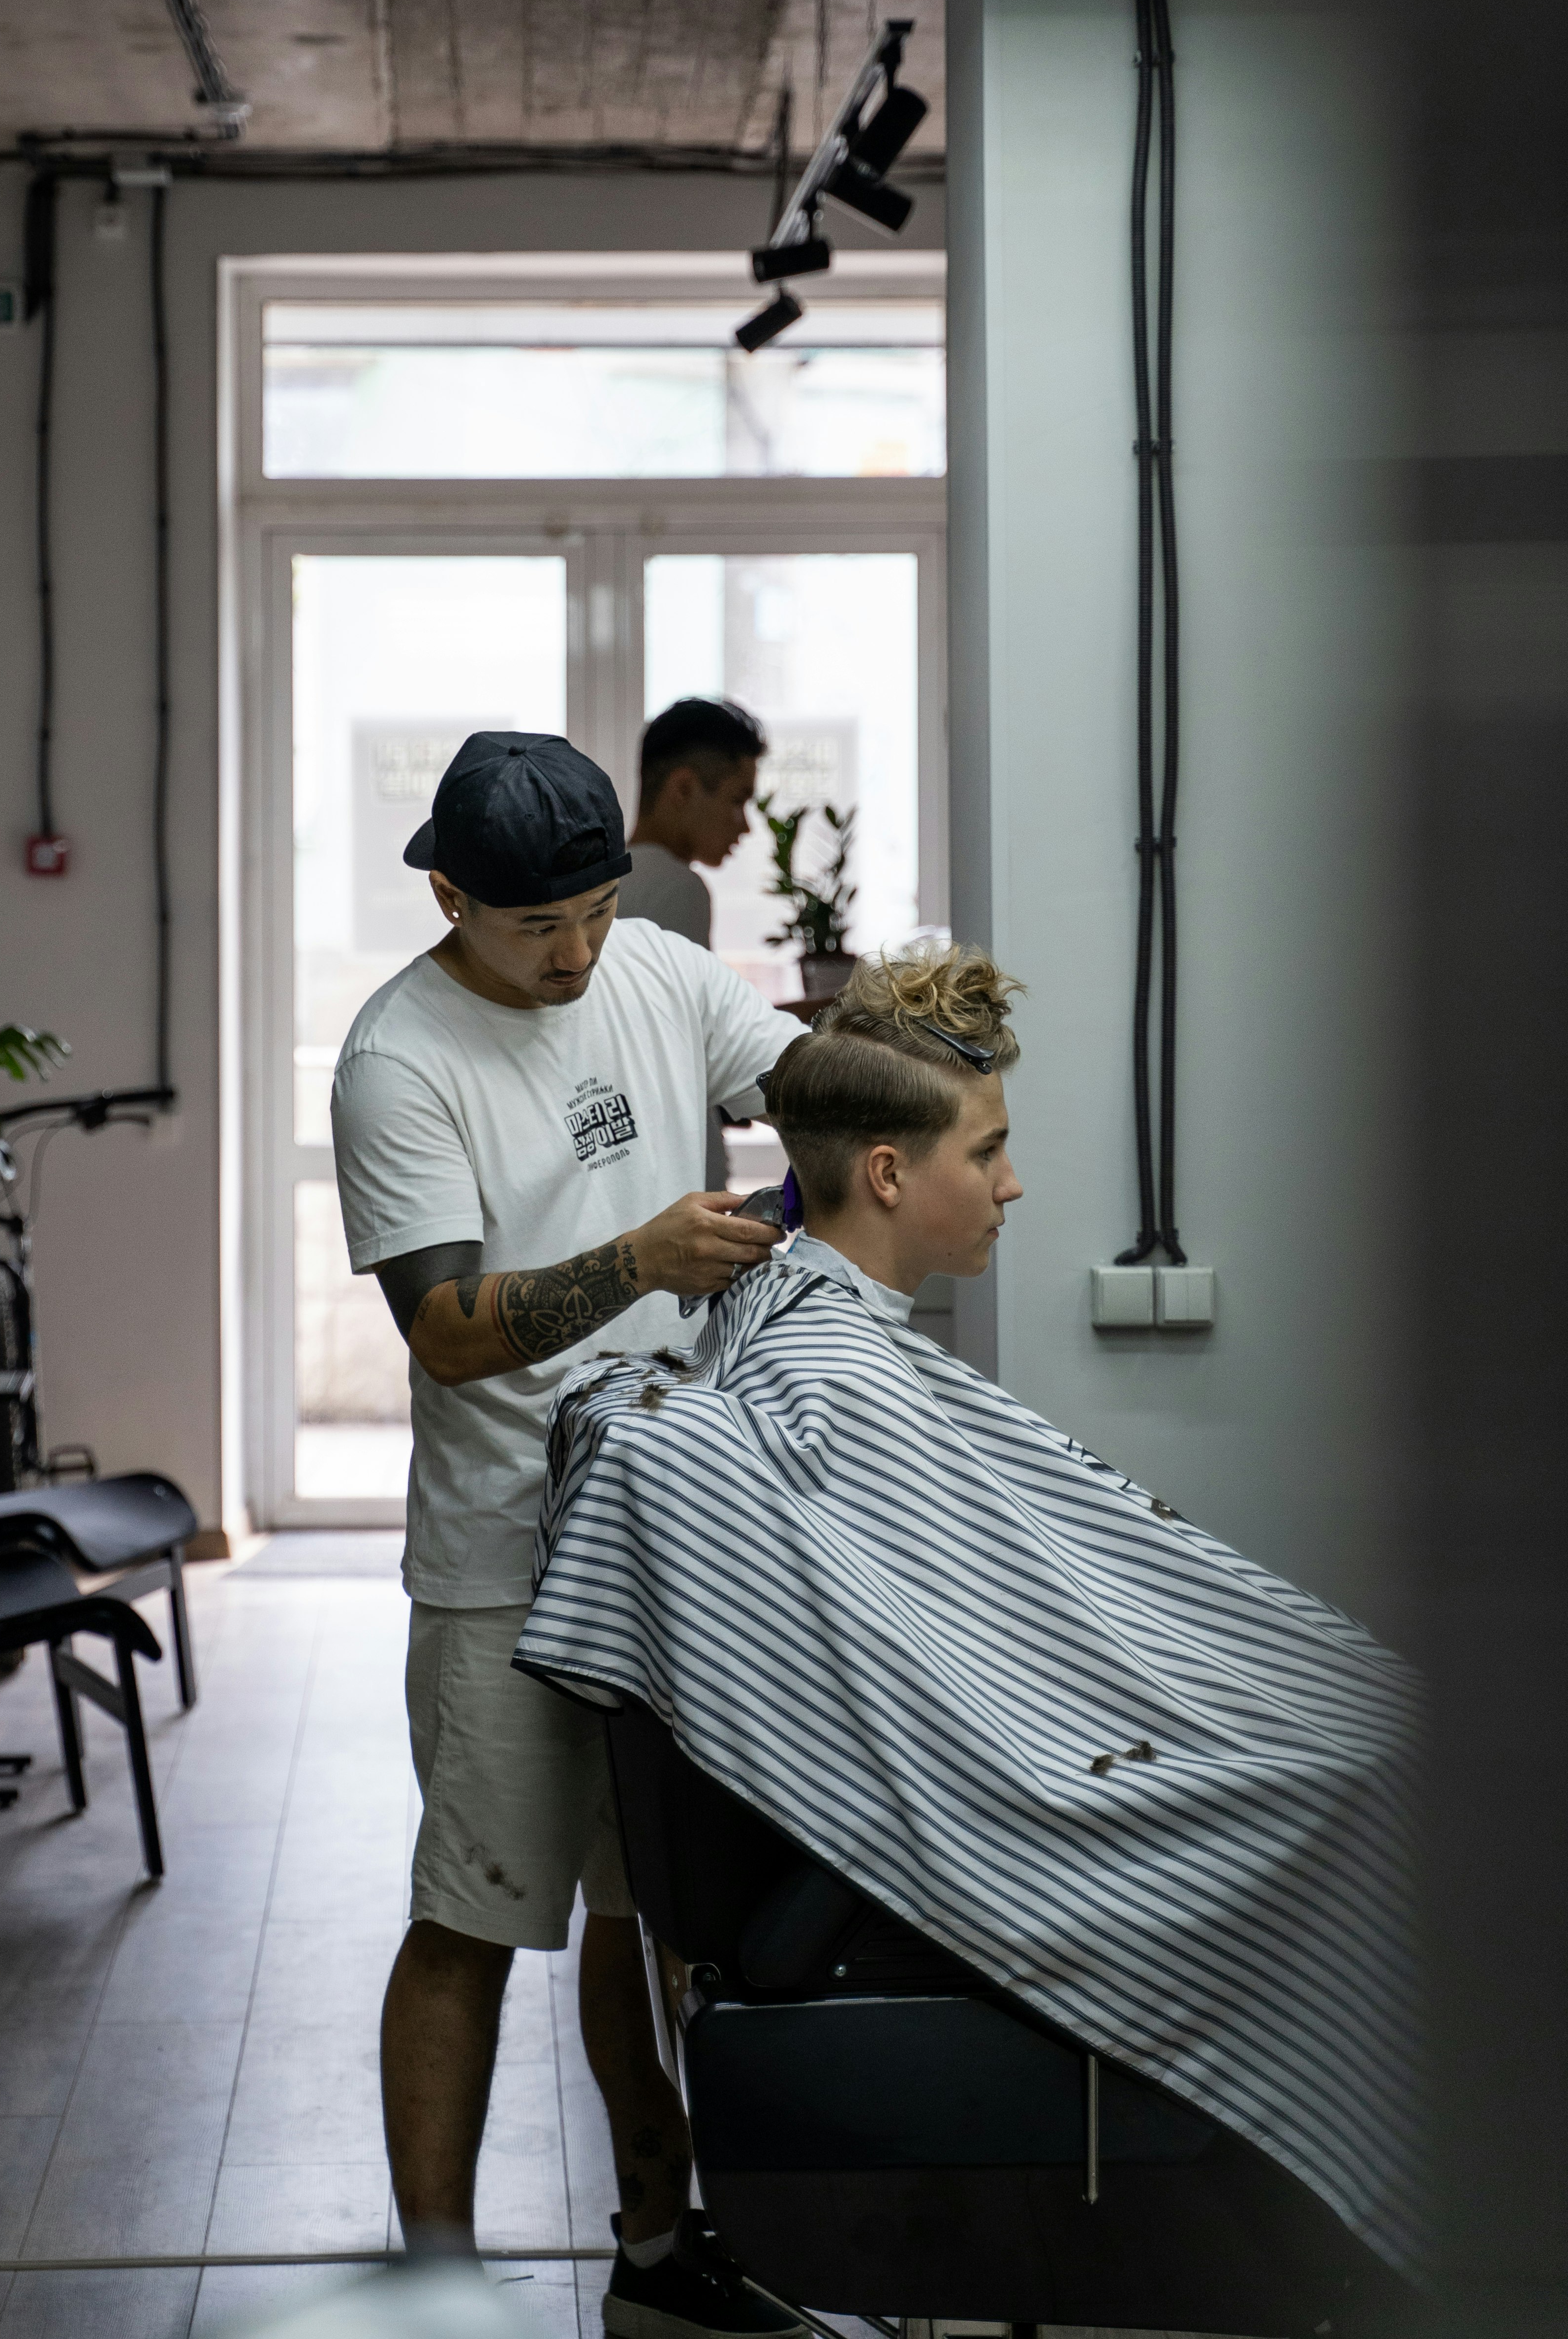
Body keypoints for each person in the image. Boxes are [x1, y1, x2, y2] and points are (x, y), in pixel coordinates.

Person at [520, 948, 1420, 2289]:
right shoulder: (830, 1377)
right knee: (1385, 1797)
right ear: (888, 1173)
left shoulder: (803, 1324)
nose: (1012, 1184)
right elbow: (969, 1710)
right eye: (988, 1151)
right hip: (1028, 1801)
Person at [329, 730, 810, 2339]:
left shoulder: (655, 967)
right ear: (448, 893)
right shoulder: (398, 1056)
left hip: (667, 1534)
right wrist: (636, 1259)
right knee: (472, 1921)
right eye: (541, 927)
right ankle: (432, 2285)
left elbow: (802, 1084)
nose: (579, 954)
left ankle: (657, 2253)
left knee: (644, 1918)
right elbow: (452, 1329)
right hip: (500, 1564)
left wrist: (902, 1048)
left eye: (598, 911)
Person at [615, 698, 768, 1190]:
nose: (744, 824)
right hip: (676, 1184)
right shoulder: (675, 888)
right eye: (736, 799)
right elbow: (702, 1042)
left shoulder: (614, 887)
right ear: (683, 788)